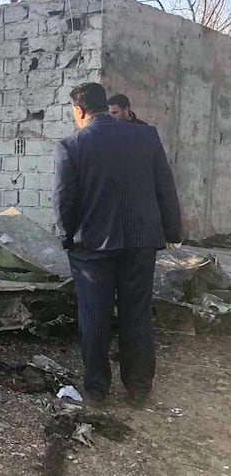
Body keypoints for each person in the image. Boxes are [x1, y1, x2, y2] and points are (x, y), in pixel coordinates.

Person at [53, 82, 182, 408]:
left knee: (94, 317)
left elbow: (64, 201)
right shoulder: (146, 136)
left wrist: (66, 237)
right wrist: (173, 231)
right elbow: (165, 186)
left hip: (92, 248)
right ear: (105, 105)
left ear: (79, 111)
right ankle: (139, 389)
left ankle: (97, 389)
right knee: (136, 315)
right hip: (140, 242)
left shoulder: (72, 144)